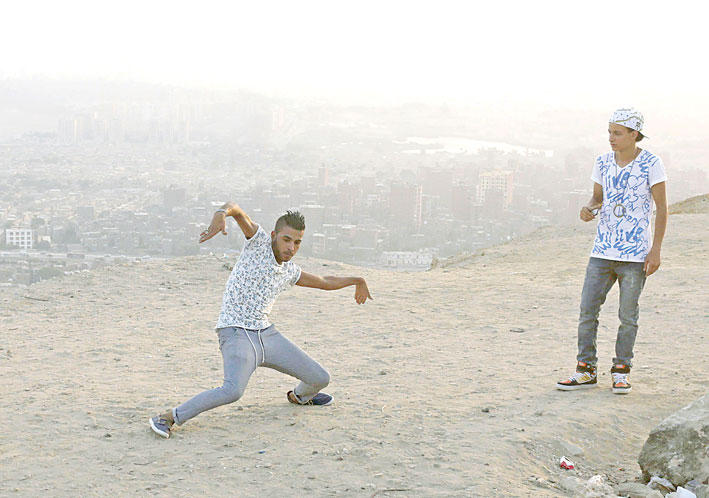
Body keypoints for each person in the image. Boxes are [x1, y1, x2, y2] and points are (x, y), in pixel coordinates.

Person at [150, 204, 372, 438]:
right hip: (236, 332)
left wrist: (357, 280)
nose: (291, 247)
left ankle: (300, 396)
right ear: (274, 235)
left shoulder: (289, 271)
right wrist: (220, 214)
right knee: (232, 391)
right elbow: (236, 210)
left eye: (297, 243)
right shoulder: (258, 243)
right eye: (287, 240)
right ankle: (168, 417)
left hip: (266, 335)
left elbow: (324, 281)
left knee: (320, 378)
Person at [557, 107, 668, 395]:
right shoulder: (603, 162)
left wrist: (655, 250)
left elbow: (662, 209)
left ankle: (621, 371)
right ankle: (585, 370)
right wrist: (589, 209)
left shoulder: (652, 163)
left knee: (627, 316)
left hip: (634, 255)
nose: (611, 138)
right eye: (609, 132)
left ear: (634, 134)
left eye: (617, 133)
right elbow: (597, 198)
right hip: (602, 251)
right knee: (587, 311)